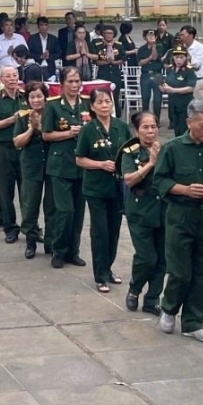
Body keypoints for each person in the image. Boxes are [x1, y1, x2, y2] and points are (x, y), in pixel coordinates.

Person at [154, 100, 203, 343]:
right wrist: (184, 189)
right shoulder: (172, 148)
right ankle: (169, 307)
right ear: (189, 123)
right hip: (180, 215)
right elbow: (160, 181)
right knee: (180, 271)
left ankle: (194, 321)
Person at [76, 88, 130, 293]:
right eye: (100, 102)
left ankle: (108, 268)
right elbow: (80, 159)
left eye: (107, 101)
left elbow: (131, 151)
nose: (105, 105)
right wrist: (100, 164)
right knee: (100, 231)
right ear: (92, 106)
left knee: (114, 230)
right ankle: (100, 275)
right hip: (96, 187)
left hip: (117, 186)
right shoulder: (88, 129)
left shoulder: (121, 127)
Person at [43, 66, 90, 269]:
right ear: (62, 84)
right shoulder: (53, 105)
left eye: (77, 81)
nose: (74, 85)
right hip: (60, 164)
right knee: (65, 210)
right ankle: (58, 249)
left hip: (82, 164)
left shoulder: (87, 103)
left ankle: (73, 251)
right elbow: (46, 135)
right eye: (70, 81)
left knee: (79, 212)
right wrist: (69, 133)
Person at [120, 110, 164, 314]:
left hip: (163, 211)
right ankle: (134, 289)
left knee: (163, 259)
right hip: (140, 211)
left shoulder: (167, 150)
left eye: (153, 127)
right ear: (137, 131)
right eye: (145, 127)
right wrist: (151, 164)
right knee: (147, 257)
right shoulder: (130, 152)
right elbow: (129, 179)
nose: (150, 131)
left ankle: (152, 298)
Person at [15, 80, 51, 258]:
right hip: (31, 164)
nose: (36, 100)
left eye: (39, 96)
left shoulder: (52, 114)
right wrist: (32, 129)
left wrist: (41, 127)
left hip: (51, 165)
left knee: (52, 206)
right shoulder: (23, 117)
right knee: (29, 204)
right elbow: (17, 142)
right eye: (32, 97)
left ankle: (51, 243)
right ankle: (30, 240)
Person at [161, 45, 197, 135]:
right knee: (176, 129)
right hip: (173, 104)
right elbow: (168, 83)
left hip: (184, 104)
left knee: (184, 129)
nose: (179, 60)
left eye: (181, 57)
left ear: (186, 58)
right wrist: (164, 87)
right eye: (177, 57)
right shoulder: (171, 69)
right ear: (173, 58)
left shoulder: (189, 71)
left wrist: (173, 90)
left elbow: (190, 88)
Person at [137, 29, 164, 118]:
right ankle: (144, 118)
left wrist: (153, 47)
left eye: (153, 35)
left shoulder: (159, 46)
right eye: (149, 35)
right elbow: (140, 62)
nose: (151, 37)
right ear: (145, 37)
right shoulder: (141, 49)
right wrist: (149, 58)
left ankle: (157, 119)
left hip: (157, 74)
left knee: (157, 99)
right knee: (145, 98)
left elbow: (155, 57)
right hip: (145, 74)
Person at [177, 25, 203, 100]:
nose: (181, 37)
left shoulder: (200, 47)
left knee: (199, 106)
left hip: (197, 81)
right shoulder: (180, 46)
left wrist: (186, 53)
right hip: (184, 80)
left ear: (191, 35)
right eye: (180, 35)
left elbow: (197, 65)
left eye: (183, 35)